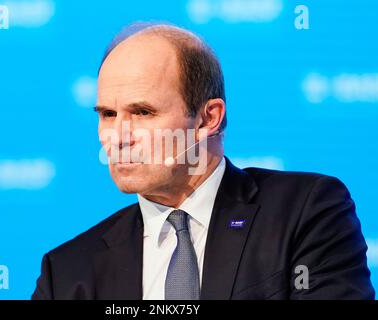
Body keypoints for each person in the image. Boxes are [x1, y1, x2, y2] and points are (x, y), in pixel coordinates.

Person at [32, 23, 375, 300]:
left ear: (207, 119)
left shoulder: (305, 212)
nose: (118, 136)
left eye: (142, 112)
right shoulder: (66, 273)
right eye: (107, 114)